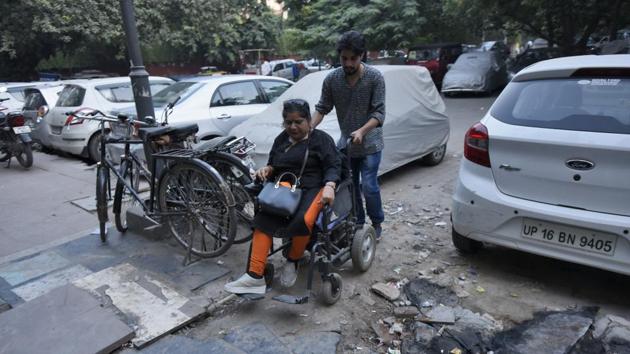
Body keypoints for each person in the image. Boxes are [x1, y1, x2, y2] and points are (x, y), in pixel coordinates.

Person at [224, 99, 341, 295]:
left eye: (298, 122)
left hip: (314, 186)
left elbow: (333, 166)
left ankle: (293, 261)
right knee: (264, 219)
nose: (293, 127)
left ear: (309, 120)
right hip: (286, 187)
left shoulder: (321, 140)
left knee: (304, 219)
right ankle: (255, 277)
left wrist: (330, 185)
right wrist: (267, 169)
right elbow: (274, 164)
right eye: (288, 122)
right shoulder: (281, 139)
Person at [312, 30, 386, 240]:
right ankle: (359, 222)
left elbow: (379, 113)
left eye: (353, 58)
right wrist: (309, 128)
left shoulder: (374, 78)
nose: (348, 63)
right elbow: (322, 107)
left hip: (371, 144)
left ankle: (377, 221)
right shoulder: (333, 79)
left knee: (369, 186)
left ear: (361, 56)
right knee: (349, 186)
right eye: (344, 58)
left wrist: (362, 131)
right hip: (346, 145)